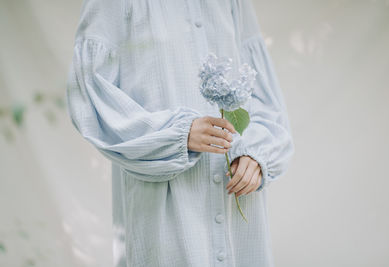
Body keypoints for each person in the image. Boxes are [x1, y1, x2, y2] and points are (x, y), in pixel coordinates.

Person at [65, 0, 294, 266]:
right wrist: (176, 134)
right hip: (165, 207)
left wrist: (256, 153)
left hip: (238, 205)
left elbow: (261, 90)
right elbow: (90, 91)